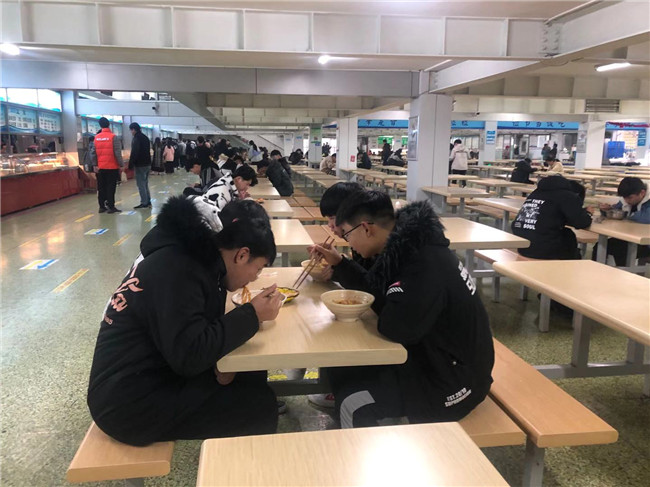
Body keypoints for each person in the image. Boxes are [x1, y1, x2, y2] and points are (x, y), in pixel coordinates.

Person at [87, 197, 282, 446]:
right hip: (127, 404)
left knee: (251, 373)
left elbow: (192, 335)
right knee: (260, 408)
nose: (255, 278)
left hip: (152, 371)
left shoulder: (195, 259)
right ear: (242, 255)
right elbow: (190, 355)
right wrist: (252, 314)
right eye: (259, 269)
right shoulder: (180, 270)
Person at [309, 191, 494, 428]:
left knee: (352, 402)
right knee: (342, 367)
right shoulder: (410, 247)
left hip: (454, 381)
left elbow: (396, 327)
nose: (348, 242)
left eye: (347, 234)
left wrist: (384, 300)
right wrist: (340, 264)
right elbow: (381, 292)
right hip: (434, 357)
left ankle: (360, 449)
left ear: (366, 228)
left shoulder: (423, 264)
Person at [512, 176, 592, 260]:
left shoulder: (535, 193)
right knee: (568, 236)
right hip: (541, 248)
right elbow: (581, 222)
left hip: (522, 244)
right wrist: (588, 213)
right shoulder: (568, 196)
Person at [593, 177, 650, 265]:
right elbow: (616, 210)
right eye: (624, 198)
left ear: (642, 193)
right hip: (630, 238)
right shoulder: (627, 198)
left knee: (621, 251)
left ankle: (623, 273)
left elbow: (646, 218)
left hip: (646, 243)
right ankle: (595, 270)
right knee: (600, 246)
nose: (627, 201)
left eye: (630, 198)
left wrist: (627, 215)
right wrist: (607, 210)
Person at [92, 117, 125, 213]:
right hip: (112, 167)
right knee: (111, 187)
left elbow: (93, 153)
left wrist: (95, 165)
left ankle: (101, 206)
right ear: (109, 124)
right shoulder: (113, 137)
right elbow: (117, 153)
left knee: (101, 187)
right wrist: (121, 164)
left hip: (100, 167)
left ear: (100, 125)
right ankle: (111, 206)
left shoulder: (96, 138)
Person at [128, 123, 152, 209]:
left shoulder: (136, 138)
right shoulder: (145, 137)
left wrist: (131, 163)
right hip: (147, 163)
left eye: (131, 130)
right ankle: (148, 201)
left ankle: (144, 202)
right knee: (145, 183)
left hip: (140, 164)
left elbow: (135, 152)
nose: (131, 132)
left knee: (141, 184)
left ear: (134, 129)